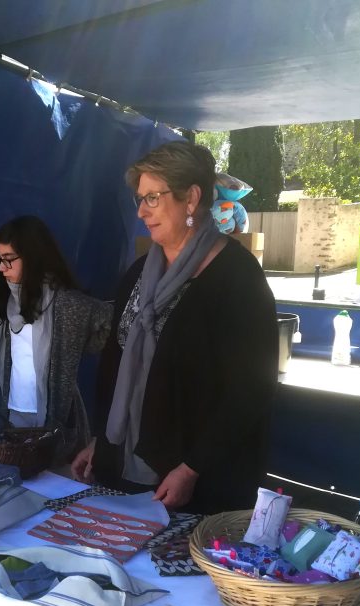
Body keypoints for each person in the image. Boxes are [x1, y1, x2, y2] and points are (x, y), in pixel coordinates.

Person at [71, 141, 278, 513]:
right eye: (140, 199)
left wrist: (192, 467)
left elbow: (251, 389)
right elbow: (115, 365)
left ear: (191, 198)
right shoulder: (138, 273)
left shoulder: (238, 278)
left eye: (152, 198)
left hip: (199, 478)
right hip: (125, 462)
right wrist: (101, 441)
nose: (141, 211)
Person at [0, 216, 111, 461]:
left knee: (57, 477)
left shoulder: (67, 304)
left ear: (33, 257)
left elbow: (113, 321)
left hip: (55, 419)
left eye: (8, 259)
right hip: (14, 414)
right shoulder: (8, 302)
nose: (1, 268)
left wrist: (80, 345)